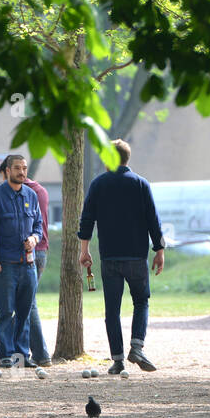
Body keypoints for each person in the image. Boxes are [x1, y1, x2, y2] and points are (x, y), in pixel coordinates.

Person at [78, 139, 165, 374]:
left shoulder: (98, 185)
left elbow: (87, 219)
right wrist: (159, 249)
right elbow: (153, 220)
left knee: (112, 310)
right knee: (141, 301)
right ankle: (137, 346)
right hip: (136, 257)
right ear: (127, 159)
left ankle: (117, 360)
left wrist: (84, 250)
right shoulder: (140, 184)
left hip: (109, 258)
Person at [0, 153, 43, 367]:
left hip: (28, 265)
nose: (22, 172)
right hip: (5, 265)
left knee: (25, 312)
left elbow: (39, 225)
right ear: (7, 171)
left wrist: (35, 239)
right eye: (17, 168)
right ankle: (6, 356)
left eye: (24, 168)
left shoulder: (31, 195)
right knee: (6, 311)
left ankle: (21, 356)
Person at [22, 172, 53, 367]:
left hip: (30, 252)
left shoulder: (23, 193)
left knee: (28, 302)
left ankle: (41, 353)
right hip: (42, 251)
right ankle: (14, 343)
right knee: (25, 300)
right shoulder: (41, 190)